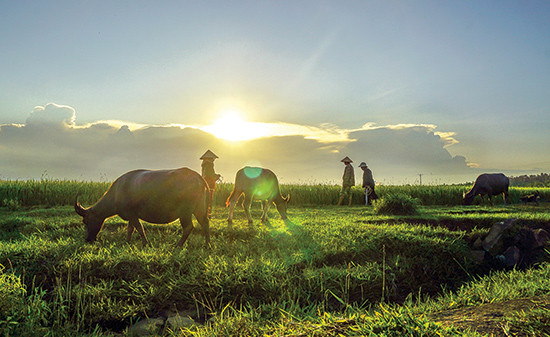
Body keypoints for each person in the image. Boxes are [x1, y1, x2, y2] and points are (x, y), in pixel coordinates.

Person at [200, 150, 221, 217]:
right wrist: (217, 176)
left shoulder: (204, 165)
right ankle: (207, 214)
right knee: (209, 199)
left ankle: (204, 214)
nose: (213, 160)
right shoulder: (209, 165)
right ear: (210, 159)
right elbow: (210, 174)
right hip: (210, 184)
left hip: (204, 183)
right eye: (213, 159)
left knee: (205, 199)